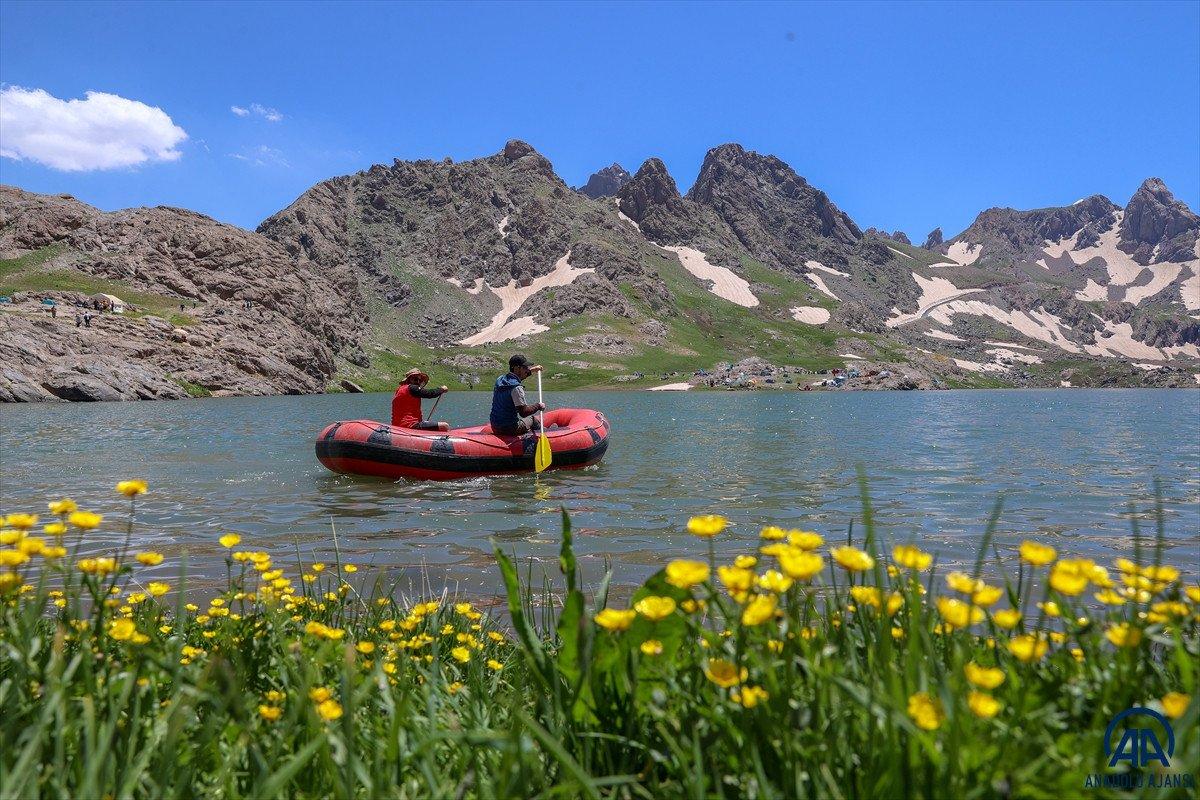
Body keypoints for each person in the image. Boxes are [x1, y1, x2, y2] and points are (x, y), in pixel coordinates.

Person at [489, 354, 545, 436]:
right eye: (525, 367)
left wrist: (532, 370)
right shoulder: (516, 388)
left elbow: (520, 376)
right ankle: (546, 435)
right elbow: (524, 412)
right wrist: (538, 406)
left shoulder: (500, 379)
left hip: (495, 426)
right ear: (516, 368)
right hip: (510, 428)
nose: (527, 369)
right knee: (532, 419)